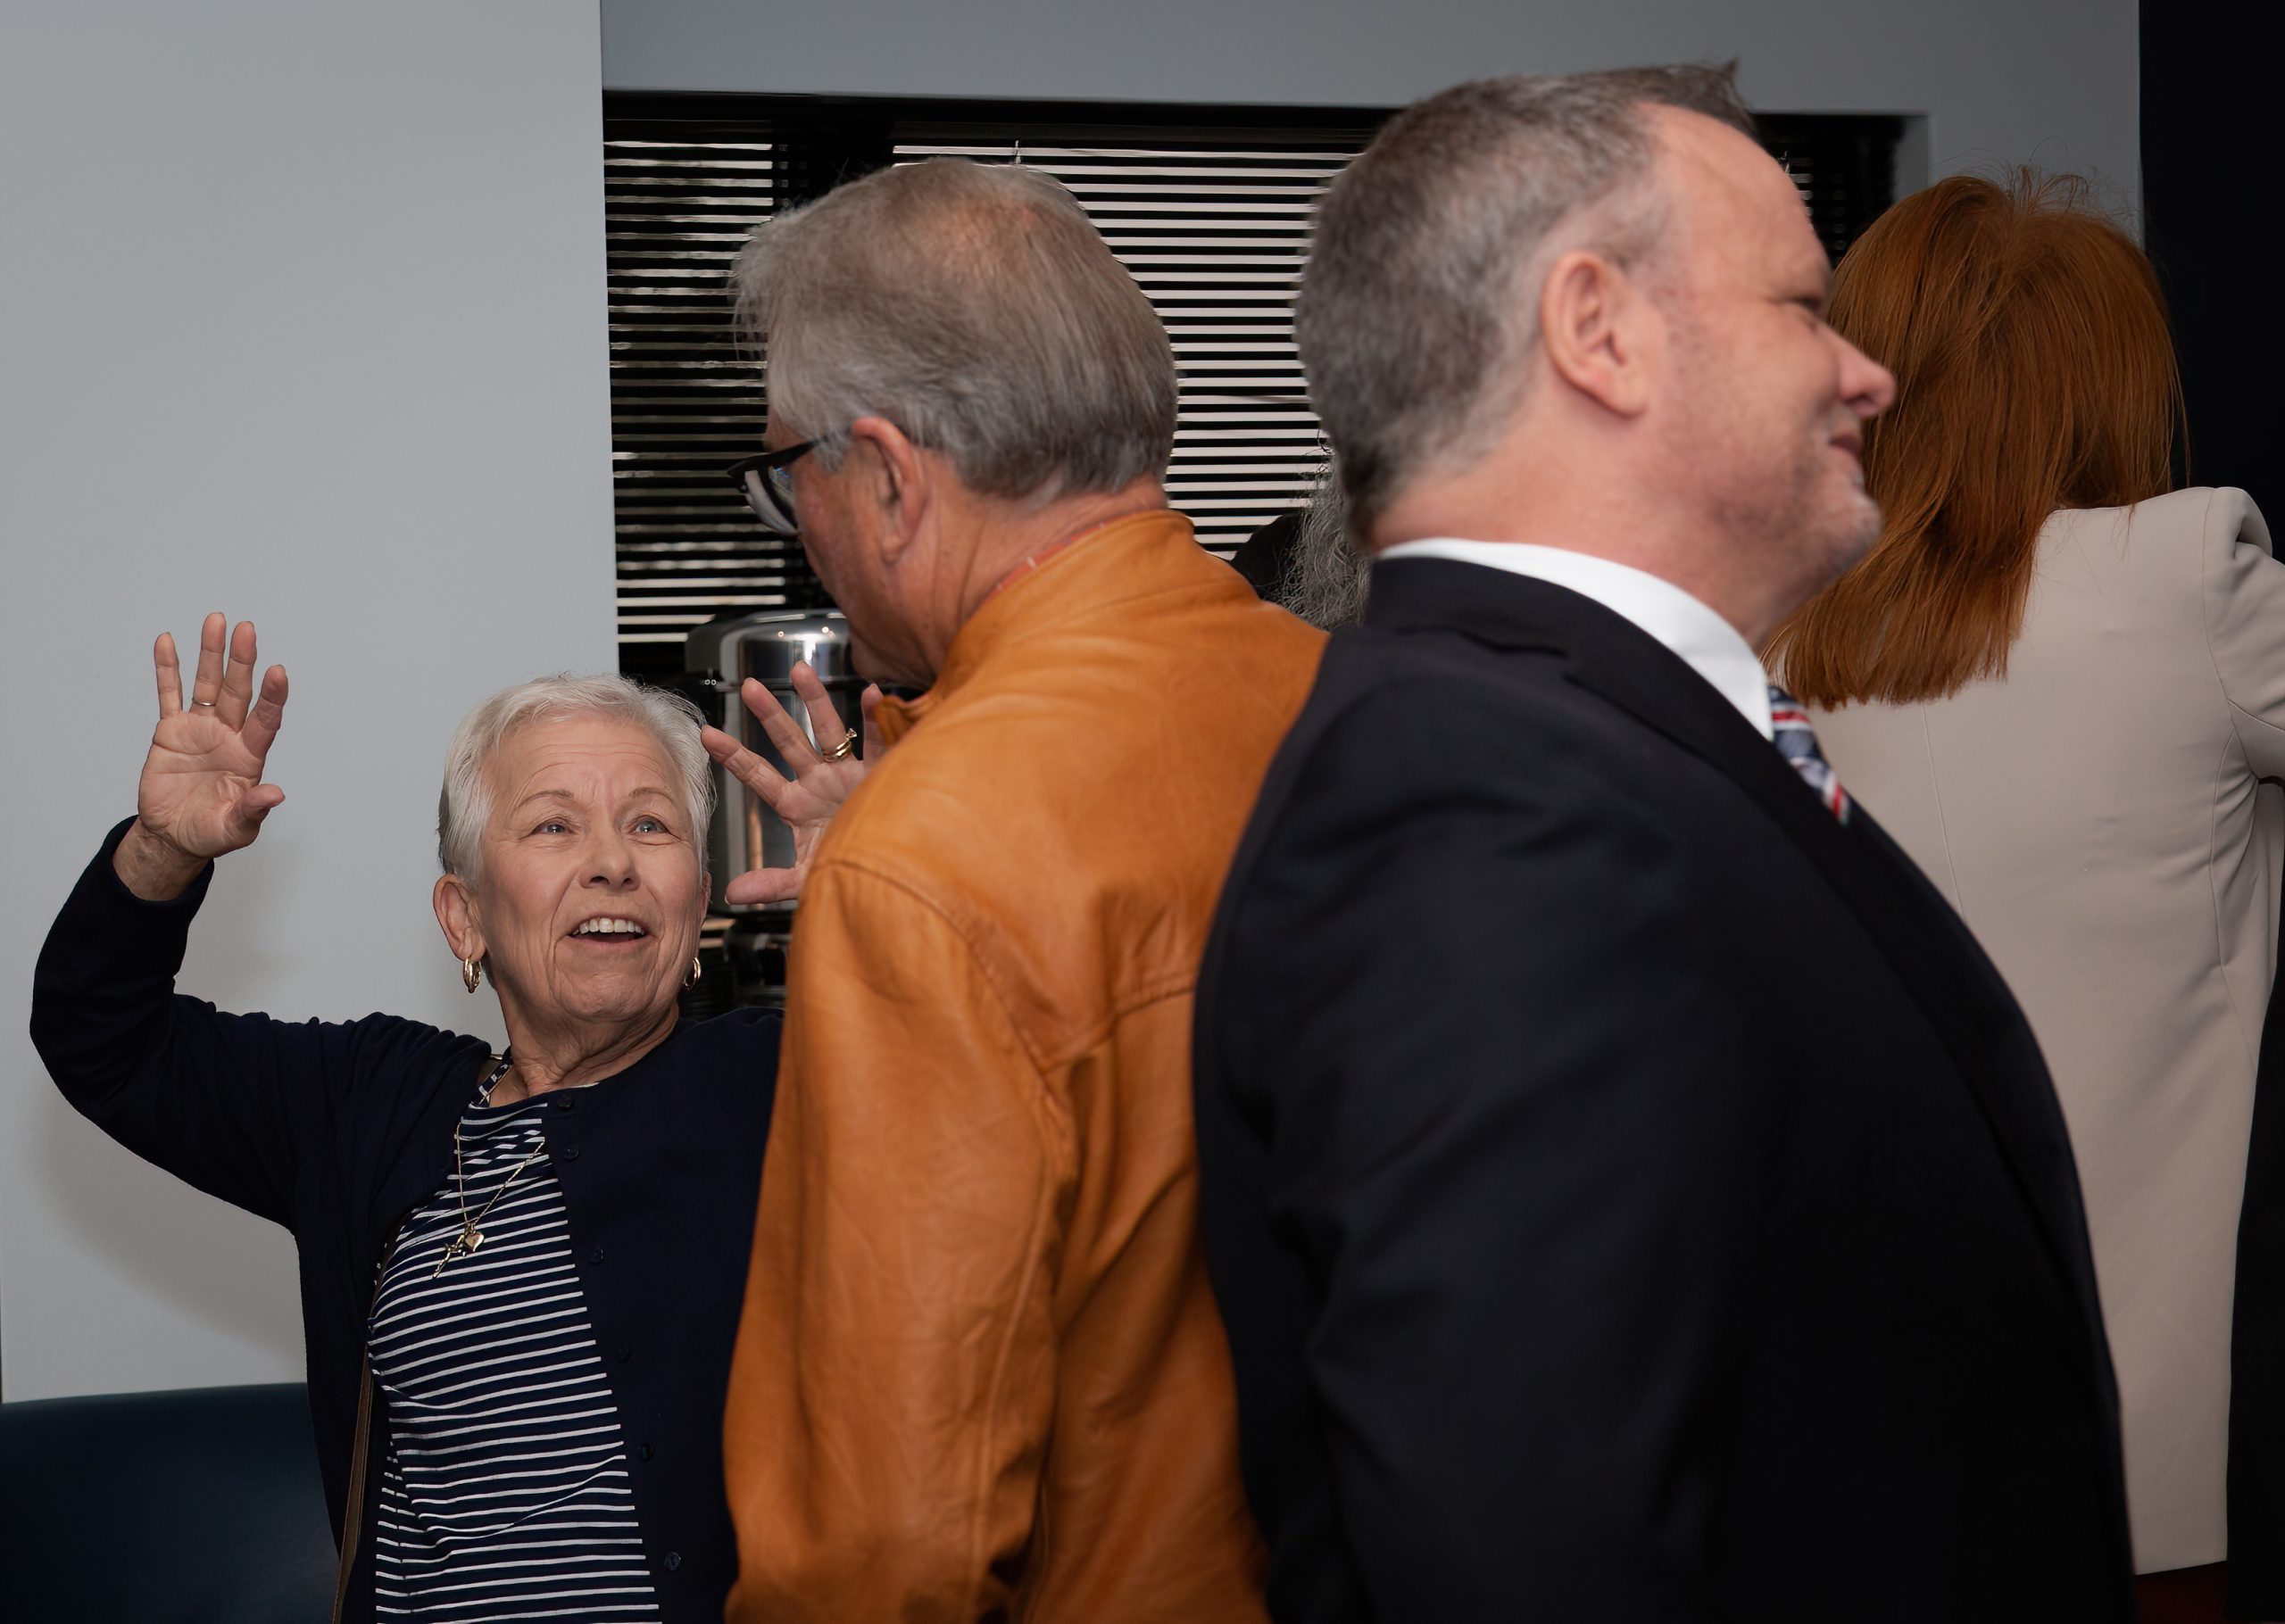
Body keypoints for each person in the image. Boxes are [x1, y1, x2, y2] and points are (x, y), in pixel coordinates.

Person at [1192, 66, 2134, 1622]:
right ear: (1600, 332)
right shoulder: (1478, 800)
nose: (1870, 377)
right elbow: (1519, 1541)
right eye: (1805, 309)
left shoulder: (1588, 738)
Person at [706, 157, 1325, 1622]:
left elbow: (883, 1553)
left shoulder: (927, 855)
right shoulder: (1358, 701)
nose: (800, 528)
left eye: (794, 476)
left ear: (888, 478)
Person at [30, 615, 790, 1623]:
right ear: (463, 917)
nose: (612, 860)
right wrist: (161, 853)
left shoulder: (782, 1084)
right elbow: (99, 1034)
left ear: (697, 906)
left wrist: (903, 898)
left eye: (651, 825)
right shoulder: (370, 1102)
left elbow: (996, 1091)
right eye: (554, 826)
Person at [1764, 172, 2281, 1622]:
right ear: (2110, 383)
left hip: (1865, 1409)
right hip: (2156, 1429)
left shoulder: (1778, 634)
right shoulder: (2184, 579)